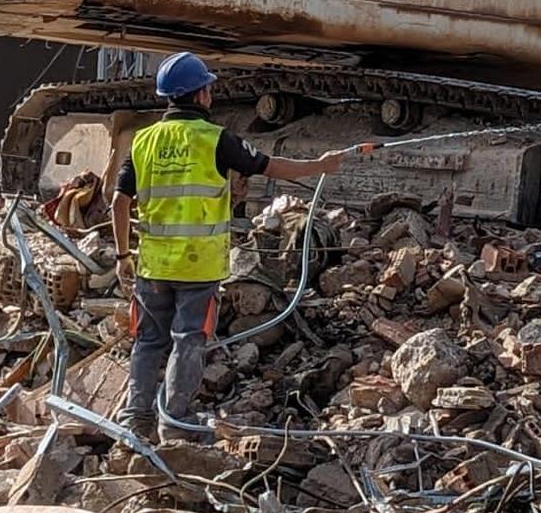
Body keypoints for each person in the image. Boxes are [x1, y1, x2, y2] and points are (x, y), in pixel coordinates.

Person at [110, 51, 373, 439]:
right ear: (200, 95)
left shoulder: (144, 141)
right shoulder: (215, 139)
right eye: (208, 87)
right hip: (198, 268)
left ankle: (137, 419)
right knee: (188, 341)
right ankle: (174, 422)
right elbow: (270, 166)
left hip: (152, 265)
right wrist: (321, 165)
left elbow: (118, 201)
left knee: (148, 341)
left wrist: (121, 256)